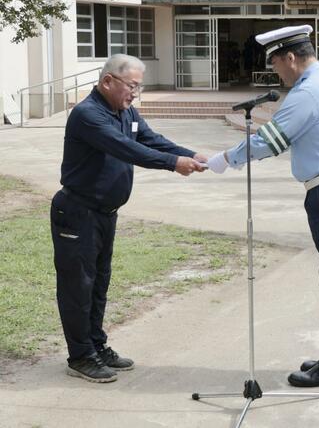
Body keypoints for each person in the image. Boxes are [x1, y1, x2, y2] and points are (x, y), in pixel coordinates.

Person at [207, 25, 319, 386]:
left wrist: (226, 159)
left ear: (290, 57)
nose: (277, 74)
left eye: (276, 66)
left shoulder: (310, 91)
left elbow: (272, 140)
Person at [52, 54, 206, 383]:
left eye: (139, 86)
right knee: (78, 287)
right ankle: (80, 356)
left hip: (105, 214)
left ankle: (96, 345)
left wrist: (189, 154)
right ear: (108, 81)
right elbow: (127, 149)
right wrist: (173, 163)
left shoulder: (125, 111)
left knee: (98, 285)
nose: (135, 93)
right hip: (78, 212)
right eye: (132, 86)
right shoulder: (88, 115)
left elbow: (149, 139)